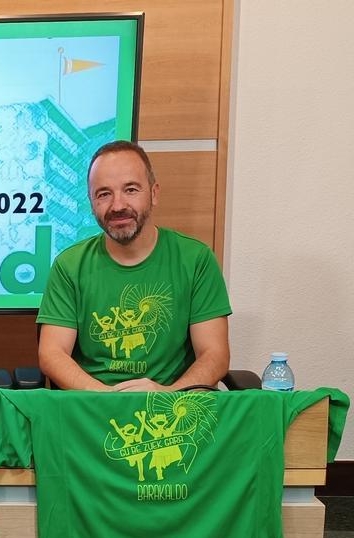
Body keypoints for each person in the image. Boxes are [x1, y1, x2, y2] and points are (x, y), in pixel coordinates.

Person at [37, 140, 230, 391]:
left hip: (172, 406)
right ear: (91, 201)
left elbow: (215, 355)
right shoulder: (69, 265)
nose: (117, 206)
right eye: (104, 194)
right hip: (93, 407)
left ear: (154, 193)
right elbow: (52, 354)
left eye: (130, 189)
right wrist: (105, 396)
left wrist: (166, 394)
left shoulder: (196, 259)